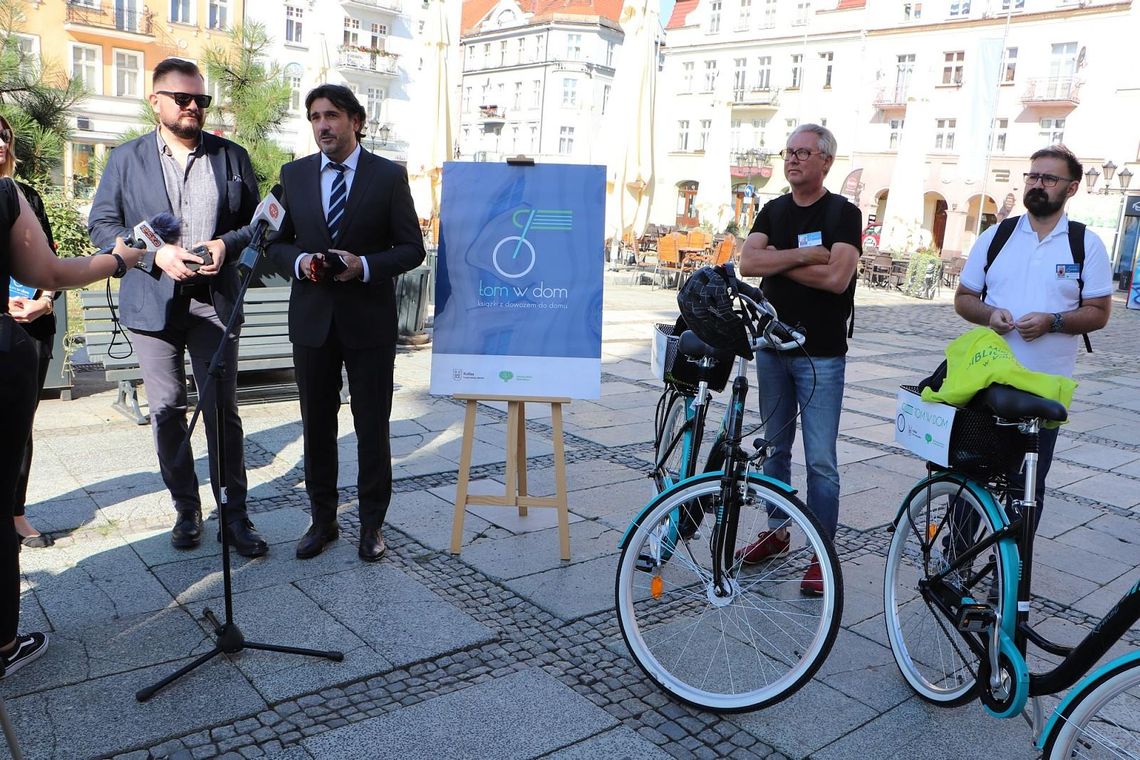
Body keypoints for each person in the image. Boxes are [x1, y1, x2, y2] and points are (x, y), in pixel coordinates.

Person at [88, 58, 268, 557]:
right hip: (152, 305)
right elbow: (102, 226)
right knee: (168, 411)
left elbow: (257, 224)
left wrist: (224, 246)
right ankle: (186, 508)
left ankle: (234, 511)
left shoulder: (232, 157)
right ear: (156, 101)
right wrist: (153, 254)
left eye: (201, 100)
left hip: (214, 303)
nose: (193, 108)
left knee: (222, 411)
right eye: (183, 99)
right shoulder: (126, 159)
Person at [267, 85, 425, 562]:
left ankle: (372, 525)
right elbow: (274, 244)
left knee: (371, 426)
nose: (322, 126)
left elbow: (412, 248)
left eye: (331, 116)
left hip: (369, 323)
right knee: (316, 426)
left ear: (356, 120)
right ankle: (323, 520)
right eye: (314, 117)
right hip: (312, 321)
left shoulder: (387, 176)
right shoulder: (292, 176)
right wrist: (301, 263)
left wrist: (365, 266)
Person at [1, 177, 143, 676]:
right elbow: (50, 270)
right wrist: (120, 259)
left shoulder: (16, 192)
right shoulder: (4, 193)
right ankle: (3, 646)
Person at [955, 144, 1112, 531]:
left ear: (1071, 188)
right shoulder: (997, 235)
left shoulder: (1085, 243)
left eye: (1048, 178)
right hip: (986, 382)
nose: (1037, 184)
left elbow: (1099, 312)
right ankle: (953, 563)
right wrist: (990, 314)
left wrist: (1052, 322)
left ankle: (1007, 573)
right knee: (968, 479)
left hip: (1044, 387)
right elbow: (963, 299)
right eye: (1033, 176)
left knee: (1027, 488)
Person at [736, 123, 861, 595]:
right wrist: (808, 257)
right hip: (772, 347)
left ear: (826, 161)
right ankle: (777, 529)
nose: (792, 159)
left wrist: (780, 262)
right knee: (774, 448)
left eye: (803, 152)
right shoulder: (772, 210)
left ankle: (821, 553)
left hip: (821, 355)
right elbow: (747, 265)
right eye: (788, 152)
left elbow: (837, 280)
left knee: (822, 460)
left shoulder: (843, 213)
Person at [2, 115, 58, 548]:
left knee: (22, 423)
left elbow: (50, 262)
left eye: (4, 137)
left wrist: (44, 301)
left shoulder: (28, 197)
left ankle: (16, 513)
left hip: (33, 328)